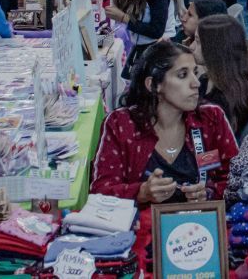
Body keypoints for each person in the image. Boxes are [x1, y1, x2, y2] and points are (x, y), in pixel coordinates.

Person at [91, 40, 238, 205]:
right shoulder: (121, 124)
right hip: (140, 226)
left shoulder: (210, 119)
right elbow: (100, 191)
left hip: (200, 225)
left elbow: (236, 180)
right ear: (153, 85)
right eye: (182, 75)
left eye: (195, 73)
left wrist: (209, 193)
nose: (196, 83)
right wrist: (141, 192)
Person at [195, 15, 248, 136]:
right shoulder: (209, 80)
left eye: (197, 42)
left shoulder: (221, 102)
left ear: (213, 48)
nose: (191, 47)